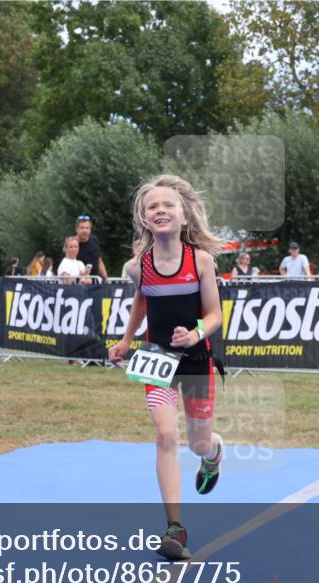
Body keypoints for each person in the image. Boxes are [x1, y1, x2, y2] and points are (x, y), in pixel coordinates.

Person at [108, 174, 225, 562]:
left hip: (194, 358)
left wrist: (194, 334)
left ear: (184, 216)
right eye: (152, 206)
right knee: (165, 435)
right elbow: (142, 301)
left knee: (197, 442)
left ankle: (213, 454)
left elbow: (214, 315)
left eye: (168, 205)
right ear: (144, 219)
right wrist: (126, 340)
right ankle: (175, 528)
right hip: (155, 357)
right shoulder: (136, 267)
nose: (160, 210)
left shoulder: (200, 261)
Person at [75, 215, 108, 280]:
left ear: (90, 229)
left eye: (87, 228)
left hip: (96, 282)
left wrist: (106, 279)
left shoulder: (94, 239)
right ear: (76, 229)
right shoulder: (72, 244)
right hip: (80, 284)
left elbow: (100, 262)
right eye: (82, 228)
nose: (85, 230)